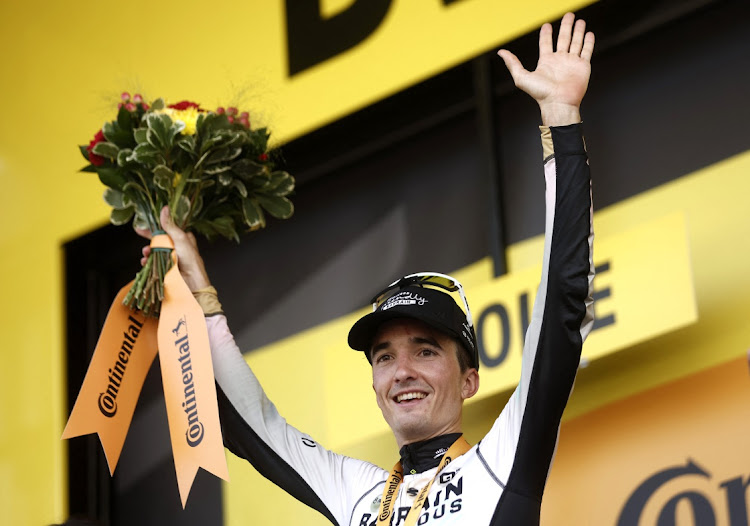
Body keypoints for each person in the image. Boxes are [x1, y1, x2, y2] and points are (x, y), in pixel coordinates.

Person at [142, 12, 595, 525]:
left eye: (425, 351)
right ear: (375, 385)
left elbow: (562, 301)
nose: (402, 371)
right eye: (384, 357)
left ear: (469, 379)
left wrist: (561, 120)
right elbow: (254, 427)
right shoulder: (359, 494)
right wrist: (195, 290)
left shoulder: (500, 461)